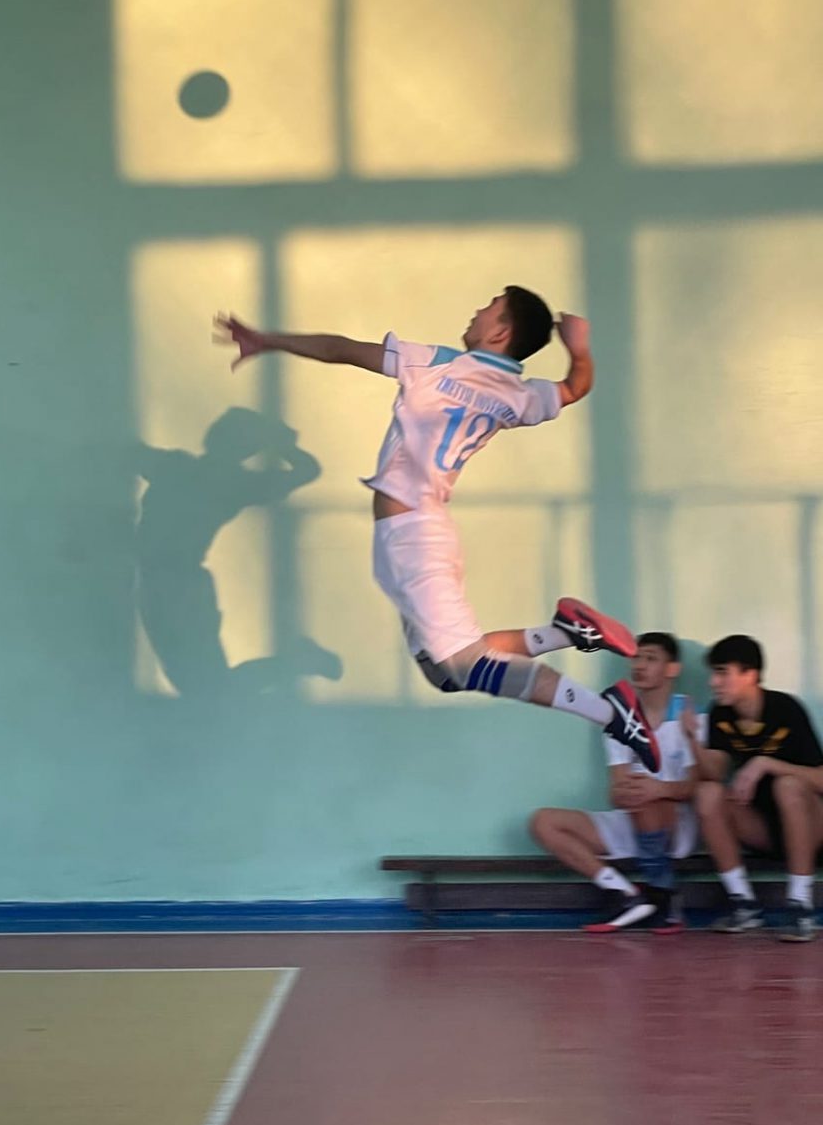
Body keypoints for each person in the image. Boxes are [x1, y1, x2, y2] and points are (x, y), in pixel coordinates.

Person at [214, 287, 659, 769]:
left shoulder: (435, 363)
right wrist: (579, 347)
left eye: (489, 307)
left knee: (465, 665)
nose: (477, 310)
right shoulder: (520, 395)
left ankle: (610, 713)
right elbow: (575, 387)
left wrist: (269, 340)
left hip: (415, 538)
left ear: (500, 332)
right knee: (442, 673)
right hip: (413, 535)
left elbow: (341, 349)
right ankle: (567, 631)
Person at [529, 632, 695, 932]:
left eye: (650, 658)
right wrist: (625, 793)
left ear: (672, 669)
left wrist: (658, 789)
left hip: (675, 825)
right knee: (543, 822)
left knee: (645, 795)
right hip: (632, 816)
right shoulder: (619, 719)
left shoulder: (689, 714)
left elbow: (696, 788)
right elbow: (616, 792)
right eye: (636, 658)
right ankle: (626, 894)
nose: (639, 665)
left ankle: (664, 893)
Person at [684, 634, 823, 942]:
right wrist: (692, 740)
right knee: (708, 793)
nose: (713, 682)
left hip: (812, 827)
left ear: (750, 674)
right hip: (765, 829)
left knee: (788, 786)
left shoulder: (785, 709)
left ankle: (800, 905)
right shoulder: (721, 714)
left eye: (723, 673)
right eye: (713, 673)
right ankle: (744, 904)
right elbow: (714, 772)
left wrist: (767, 764)